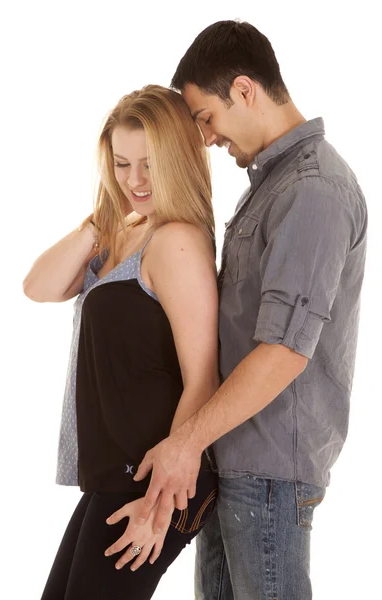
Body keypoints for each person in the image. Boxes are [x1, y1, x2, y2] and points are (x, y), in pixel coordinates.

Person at [131, 21, 368, 600]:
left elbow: (284, 352)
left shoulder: (313, 189)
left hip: (266, 476)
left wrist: (186, 443)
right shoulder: (271, 184)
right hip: (234, 463)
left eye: (206, 118)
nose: (206, 140)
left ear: (244, 90)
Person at [23, 84, 219, 600]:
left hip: (155, 480)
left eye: (149, 164)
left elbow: (204, 375)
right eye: (121, 163)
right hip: (115, 477)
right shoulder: (124, 232)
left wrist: (161, 507)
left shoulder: (176, 240)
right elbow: (37, 287)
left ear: (177, 157)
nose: (134, 181)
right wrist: (101, 220)